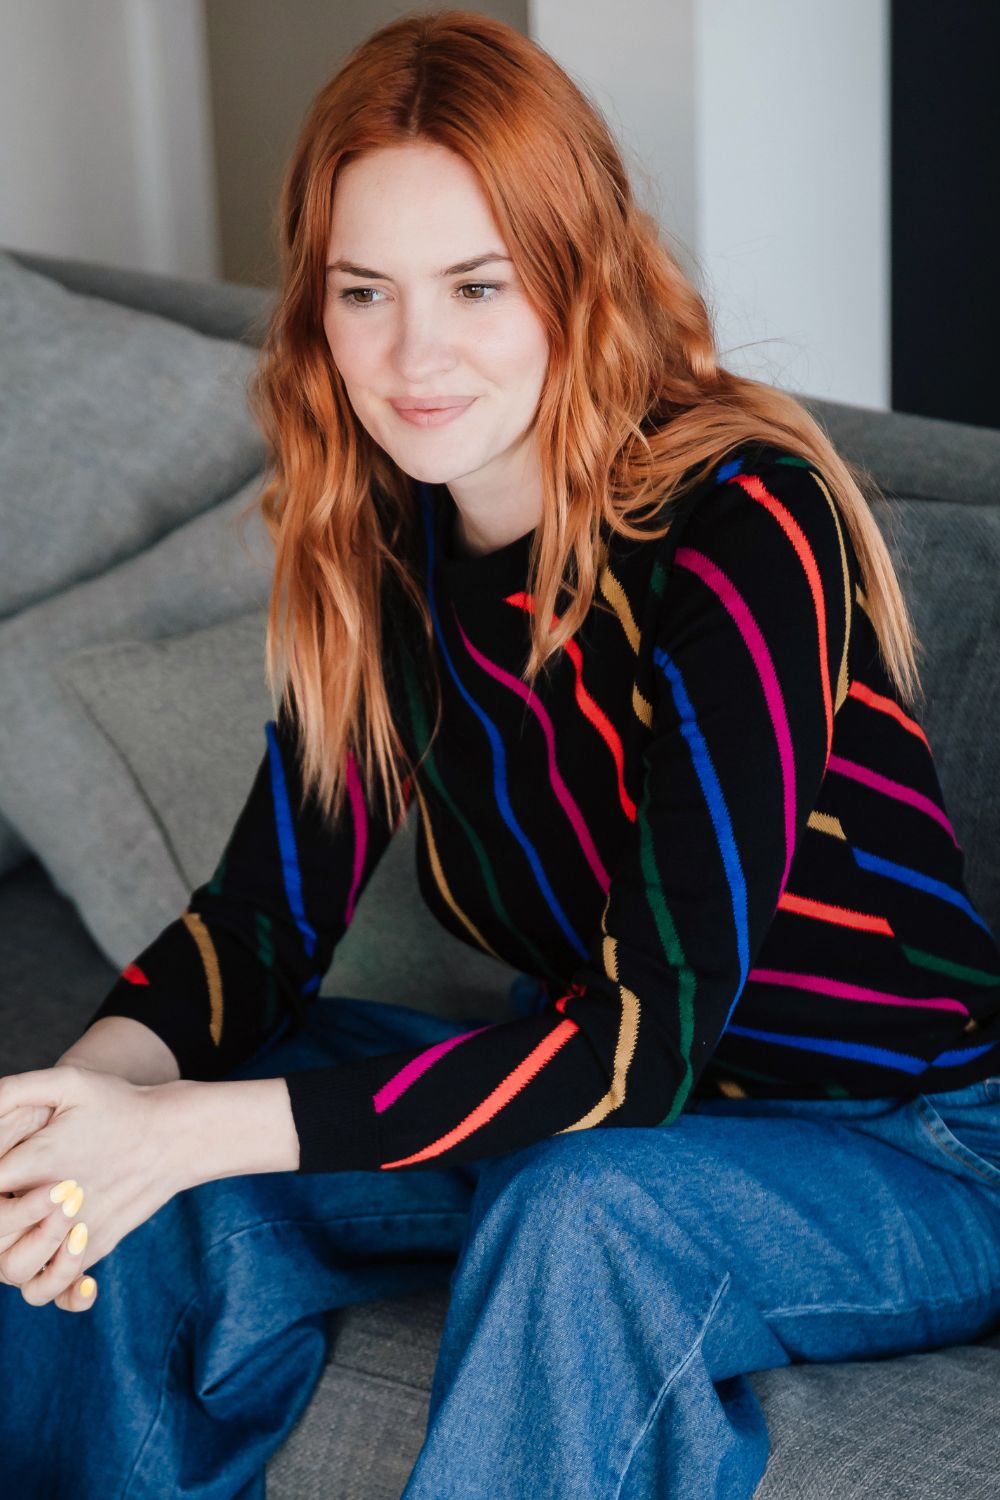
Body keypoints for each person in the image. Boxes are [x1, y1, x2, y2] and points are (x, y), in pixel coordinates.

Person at [2, 9, 1000, 1498]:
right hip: (610, 1119)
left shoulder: (745, 524)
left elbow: (645, 1039)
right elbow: (262, 925)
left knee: (576, 1211)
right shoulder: (379, 539)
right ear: (316, 310)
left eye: (477, 284)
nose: (415, 357)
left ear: (572, 279)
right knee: (125, 1193)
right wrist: (81, 1120)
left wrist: (190, 1126)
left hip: (911, 1146)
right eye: (364, 292)